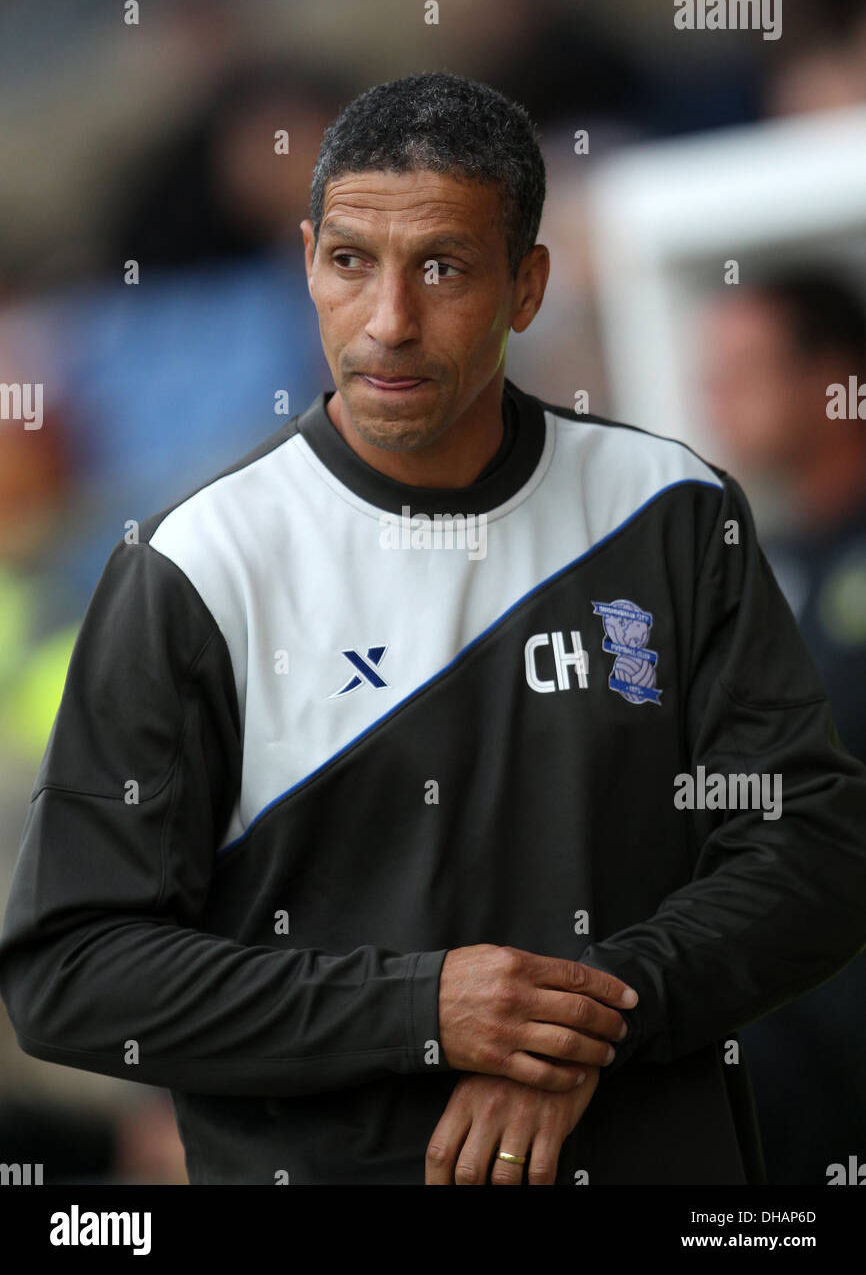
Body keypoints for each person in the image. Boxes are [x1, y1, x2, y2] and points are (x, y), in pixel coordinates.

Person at [1, 72, 865, 1187]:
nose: (389, 321)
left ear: (527, 285)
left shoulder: (670, 510)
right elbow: (71, 973)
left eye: (444, 266)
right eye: (351, 261)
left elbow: (815, 850)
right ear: (307, 260)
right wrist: (423, 1010)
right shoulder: (195, 565)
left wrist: (580, 1023)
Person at [699, 271, 866, 1183]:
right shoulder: (757, 571)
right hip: (790, 1017)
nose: (712, 398)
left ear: (833, 380)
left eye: (741, 370)